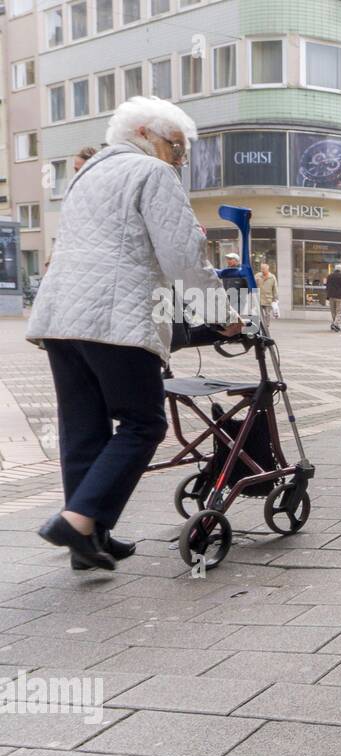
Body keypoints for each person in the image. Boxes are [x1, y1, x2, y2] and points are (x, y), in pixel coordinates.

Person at [26, 96, 242, 571]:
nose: (180, 161)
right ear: (143, 133)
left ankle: (90, 540)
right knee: (144, 423)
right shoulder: (152, 173)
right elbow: (184, 256)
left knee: (84, 428)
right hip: (115, 318)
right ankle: (78, 520)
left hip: (61, 319)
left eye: (184, 153)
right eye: (176, 147)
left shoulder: (89, 174)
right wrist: (222, 315)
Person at [255, 261, 278, 327]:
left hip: (268, 298)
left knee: (267, 313)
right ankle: (260, 324)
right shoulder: (257, 276)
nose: (262, 270)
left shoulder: (272, 277)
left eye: (264, 269)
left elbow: (275, 288)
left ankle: (266, 325)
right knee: (259, 313)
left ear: (267, 269)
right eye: (261, 268)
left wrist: (275, 298)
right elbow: (253, 285)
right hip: (259, 298)